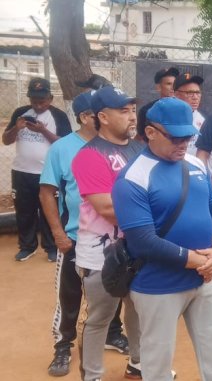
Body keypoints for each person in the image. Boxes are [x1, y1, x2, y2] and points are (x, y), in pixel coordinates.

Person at [113, 97, 212, 381]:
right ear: (150, 132)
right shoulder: (132, 178)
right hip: (159, 286)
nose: (183, 144)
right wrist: (200, 261)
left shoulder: (196, 164)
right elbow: (142, 240)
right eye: (176, 137)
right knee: (157, 367)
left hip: (205, 278)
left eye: (188, 136)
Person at [40, 91, 128, 377]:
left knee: (113, 289)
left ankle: (113, 334)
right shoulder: (63, 148)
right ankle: (63, 345)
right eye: (98, 113)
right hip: (76, 236)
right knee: (69, 297)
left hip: (117, 238)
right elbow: (47, 192)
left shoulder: (120, 148)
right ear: (87, 117)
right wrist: (57, 233)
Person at [70, 85, 144, 381]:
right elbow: (106, 207)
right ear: (102, 116)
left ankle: (138, 365)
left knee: (139, 311)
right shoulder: (89, 155)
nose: (132, 117)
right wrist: (151, 206)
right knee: (100, 317)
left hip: (138, 248)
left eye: (133, 110)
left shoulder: (139, 149)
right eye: (123, 111)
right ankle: (92, 375)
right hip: (101, 255)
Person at [4, 77, 71, 261]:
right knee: (24, 211)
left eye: (42, 101)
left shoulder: (58, 116)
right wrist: (16, 128)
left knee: (50, 211)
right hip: (21, 172)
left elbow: (65, 143)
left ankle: (51, 247)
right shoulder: (20, 113)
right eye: (34, 101)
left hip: (48, 174)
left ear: (50, 98)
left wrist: (43, 131)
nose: (38, 105)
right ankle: (27, 246)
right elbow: (6, 140)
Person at [137, 67, 179, 140]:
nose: (173, 87)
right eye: (169, 84)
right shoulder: (146, 110)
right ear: (158, 87)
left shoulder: (184, 108)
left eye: (175, 84)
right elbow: (141, 138)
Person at [173, 72, 206, 155]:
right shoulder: (167, 117)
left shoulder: (203, 120)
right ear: (177, 95)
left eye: (198, 93)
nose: (195, 97)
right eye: (190, 93)